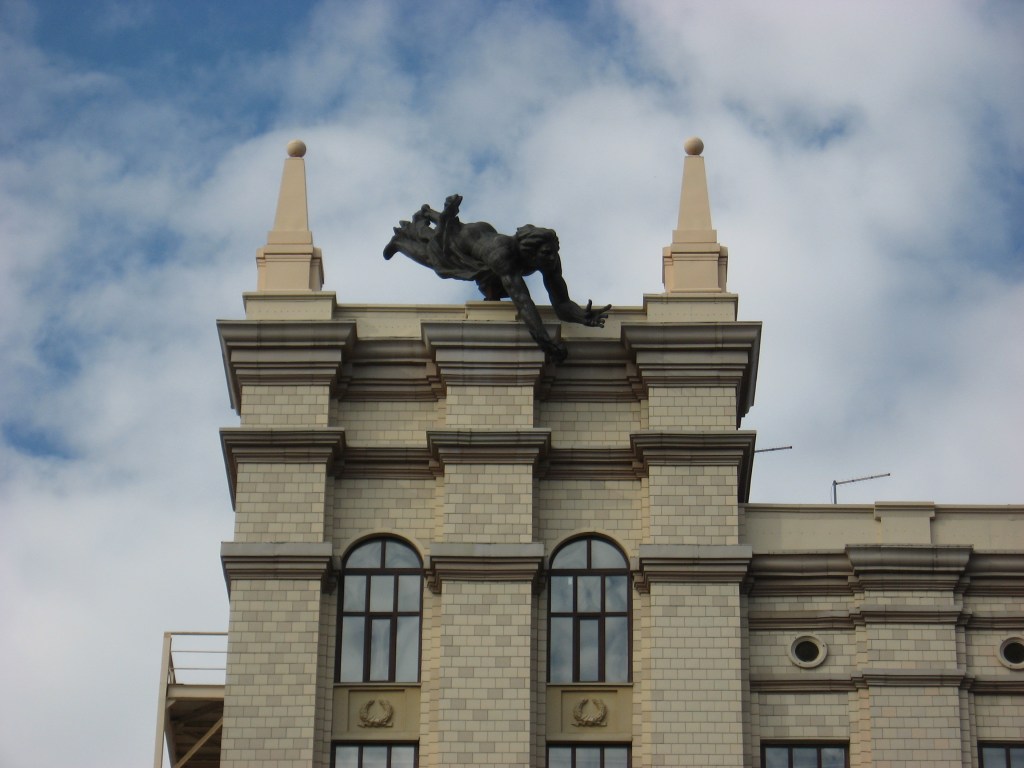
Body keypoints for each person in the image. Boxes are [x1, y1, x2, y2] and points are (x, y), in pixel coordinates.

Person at [384, 194, 610, 362]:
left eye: (553, 252)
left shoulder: (548, 258)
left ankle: (430, 213)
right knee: (439, 258)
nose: (552, 258)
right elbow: (523, 302)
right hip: (470, 244)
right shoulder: (502, 255)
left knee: (458, 243)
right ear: (530, 252)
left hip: (487, 249)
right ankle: (402, 240)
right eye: (546, 253)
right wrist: (546, 342)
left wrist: (582, 316)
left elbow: (561, 304)